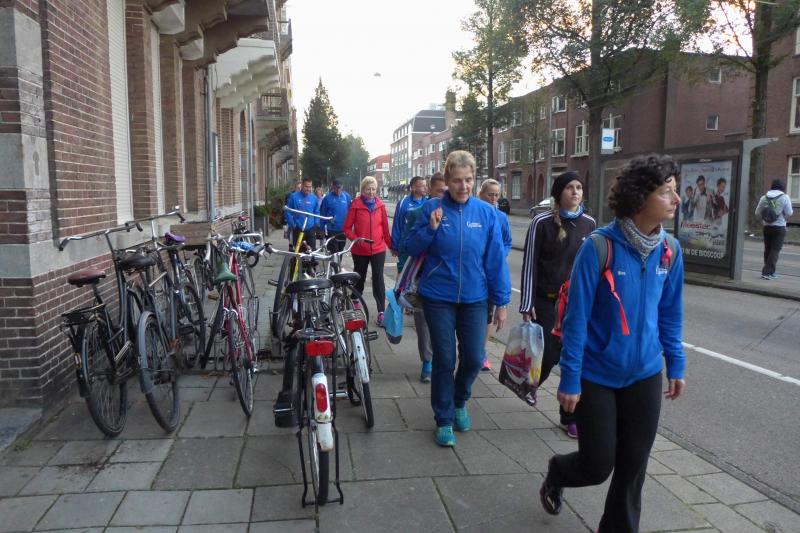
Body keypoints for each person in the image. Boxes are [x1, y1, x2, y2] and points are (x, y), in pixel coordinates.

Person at [539, 155, 685, 533]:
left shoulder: (670, 250)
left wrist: (676, 363)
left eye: (675, 190)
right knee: (597, 465)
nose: (676, 199)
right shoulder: (600, 247)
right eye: (666, 191)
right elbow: (576, 319)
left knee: (633, 469)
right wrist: (570, 378)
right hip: (597, 375)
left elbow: (670, 313)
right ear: (640, 197)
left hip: (645, 374)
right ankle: (558, 472)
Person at [405, 151, 511, 447]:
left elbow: (495, 261)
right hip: (438, 296)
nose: (463, 186)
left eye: (468, 180)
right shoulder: (432, 208)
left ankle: (459, 401)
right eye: (456, 180)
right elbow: (410, 246)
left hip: (475, 297)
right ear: (447, 180)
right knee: (445, 358)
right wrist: (430, 229)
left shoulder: (486, 213)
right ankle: (443, 418)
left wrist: (501, 302)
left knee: (474, 358)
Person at [519, 171, 596, 438]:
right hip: (547, 301)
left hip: (577, 303)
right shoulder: (541, 223)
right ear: (558, 193)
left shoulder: (589, 224)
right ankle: (529, 384)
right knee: (550, 355)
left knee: (575, 357)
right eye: (569, 188)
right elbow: (529, 263)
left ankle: (569, 416)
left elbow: (594, 267)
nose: (575, 192)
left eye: (579, 187)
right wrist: (527, 302)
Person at [400, 172, 447, 383]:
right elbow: (408, 245)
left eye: (447, 191)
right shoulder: (420, 211)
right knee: (424, 320)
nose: (444, 195)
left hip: (450, 278)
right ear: (431, 190)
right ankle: (427, 360)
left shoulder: (464, 211)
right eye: (440, 191)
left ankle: (443, 359)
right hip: (424, 275)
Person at [343, 176, 392, 327]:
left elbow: (385, 229)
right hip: (360, 249)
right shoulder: (356, 205)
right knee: (360, 277)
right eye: (368, 189)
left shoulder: (380, 206)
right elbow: (346, 228)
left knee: (378, 278)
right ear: (363, 190)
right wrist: (356, 239)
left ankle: (381, 312)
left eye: (373, 189)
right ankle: (355, 301)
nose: (371, 192)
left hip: (378, 248)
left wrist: (391, 246)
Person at [476, 178, 513, 372]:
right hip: (475, 271)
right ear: (481, 194)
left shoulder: (501, 217)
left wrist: (499, 255)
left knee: (489, 313)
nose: (493, 198)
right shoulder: (474, 213)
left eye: (497, 195)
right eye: (490, 194)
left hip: (492, 271)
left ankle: (482, 351)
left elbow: (507, 241)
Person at [755, 178, 794, 280]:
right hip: (779, 227)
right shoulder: (785, 197)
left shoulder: (764, 197)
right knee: (775, 250)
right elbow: (789, 212)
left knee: (768, 249)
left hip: (767, 227)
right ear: (783, 187)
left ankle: (769, 271)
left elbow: (757, 212)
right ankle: (767, 273)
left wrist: (765, 218)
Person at [391, 176, 428, 272]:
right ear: (414, 188)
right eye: (422, 186)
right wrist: (395, 246)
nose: (426, 188)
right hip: (405, 246)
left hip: (422, 246)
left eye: (426, 185)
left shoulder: (428, 202)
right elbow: (397, 225)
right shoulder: (403, 203)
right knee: (403, 272)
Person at [285, 177, 320, 250]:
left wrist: (316, 224)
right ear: (302, 186)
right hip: (298, 229)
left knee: (311, 252)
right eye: (306, 186)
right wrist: (293, 225)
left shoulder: (314, 198)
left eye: (310, 187)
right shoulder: (293, 197)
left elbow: (317, 212)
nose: (308, 189)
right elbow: (288, 211)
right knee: (298, 252)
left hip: (310, 229)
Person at [320, 180, 352, 253]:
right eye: (335, 188)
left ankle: (337, 260)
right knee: (334, 252)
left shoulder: (346, 197)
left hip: (343, 230)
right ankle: (332, 260)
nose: (338, 190)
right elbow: (322, 214)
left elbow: (351, 212)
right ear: (332, 187)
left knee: (340, 252)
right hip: (331, 230)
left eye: (339, 188)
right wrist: (321, 229)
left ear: (342, 187)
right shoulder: (327, 198)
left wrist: (350, 227)